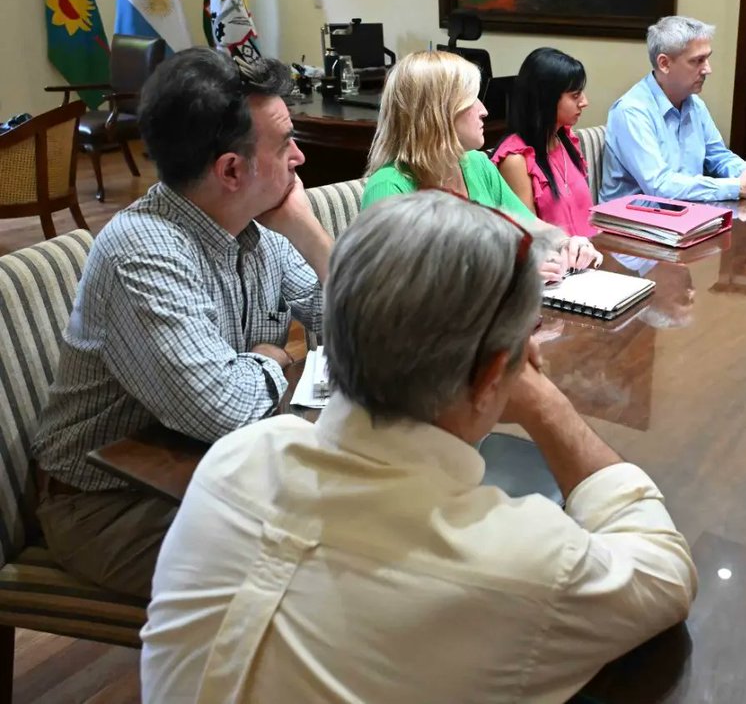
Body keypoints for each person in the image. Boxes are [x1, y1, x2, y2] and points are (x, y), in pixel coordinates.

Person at [141, 191, 697, 702]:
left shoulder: (238, 460)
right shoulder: (518, 560)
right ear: (490, 376)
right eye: (531, 337)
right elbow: (664, 575)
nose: (538, 359)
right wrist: (545, 404)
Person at [31, 49, 333, 598]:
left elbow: (362, 323)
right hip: (107, 503)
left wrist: (311, 235)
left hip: (203, 472)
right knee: (328, 562)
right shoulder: (143, 250)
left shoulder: (256, 230)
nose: (299, 157)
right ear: (231, 170)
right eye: (286, 141)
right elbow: (221, 410)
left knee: (358, 518)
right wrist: (271, 360)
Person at [362, 49, 601, 278]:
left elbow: (529, 225)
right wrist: (510, 271)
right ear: (437, 112)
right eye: (471, 99)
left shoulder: (476, 163)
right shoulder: (388, 187)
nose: (484, 110)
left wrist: (567, 243)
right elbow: (403, 289)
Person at [601, 15, 746, 202]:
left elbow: (718, 156)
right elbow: (659, 186)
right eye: (697, 60)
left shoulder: (694, 104)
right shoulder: (632, 111)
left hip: (682, 214)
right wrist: (738, 187)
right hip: (632, 223)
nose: (707, 69)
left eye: (707, 59)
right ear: (664, 64)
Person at [493, 47, 595, 237]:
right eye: (575, 96)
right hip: (556, 261)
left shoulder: (566, 139)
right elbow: (529, 235)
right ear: (546, 99)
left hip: (591, 253)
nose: (584, 102)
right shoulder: (516, 159)